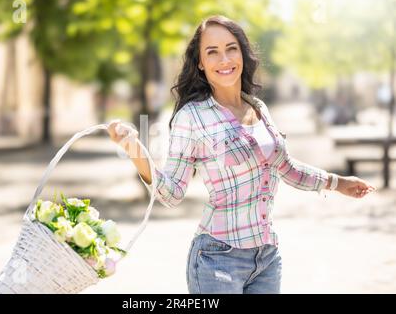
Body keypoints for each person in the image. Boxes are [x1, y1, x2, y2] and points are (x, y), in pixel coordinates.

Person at [107, 15, 376, 294]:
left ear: (242, 53)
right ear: (200, 63)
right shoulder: (192, 117)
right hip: (216, 260)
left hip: (267, 259)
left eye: (231, 48)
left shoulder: (257, 107)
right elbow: (170, 193)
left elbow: (287, 168)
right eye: (212, 52)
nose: (224, 59)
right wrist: (134, 149)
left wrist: (337, 182)